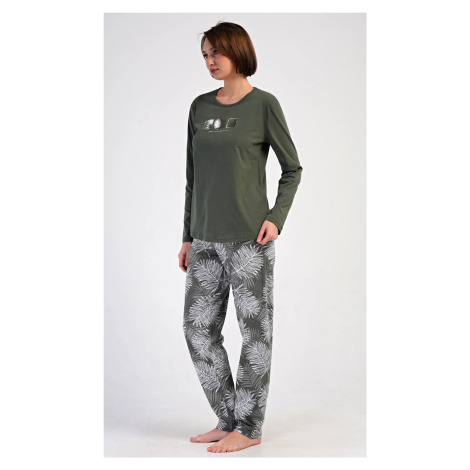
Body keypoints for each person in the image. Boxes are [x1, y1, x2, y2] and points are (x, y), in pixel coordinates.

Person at [177, 21, 303, 453]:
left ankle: (249, 428)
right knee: (197, 330)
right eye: (205, 55)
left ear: (237, 51)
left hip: (251, 241)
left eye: (216, 52)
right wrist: (188, 235)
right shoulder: (199, 107)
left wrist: (276, 218)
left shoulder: (264, 105)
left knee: (255, 335)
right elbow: (193, 178)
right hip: (204, 240)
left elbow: (292, 169)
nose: (210, 61)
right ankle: (229, 418)